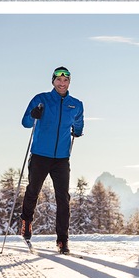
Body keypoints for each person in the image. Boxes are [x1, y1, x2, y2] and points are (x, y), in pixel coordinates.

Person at [20, 66, 84, 254]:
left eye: (65, 80)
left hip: (61, 158)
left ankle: (62, 240)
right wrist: (33, 115)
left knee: (63, 198)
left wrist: (78, 131)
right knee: (33, 191)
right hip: (40, 154)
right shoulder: (41, 99)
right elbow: (25, 123)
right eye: (58, 80)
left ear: (69, 82)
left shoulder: (76, 104)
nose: (62, 83)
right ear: (53, 81)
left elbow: (79, 122)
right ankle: (26, 223)